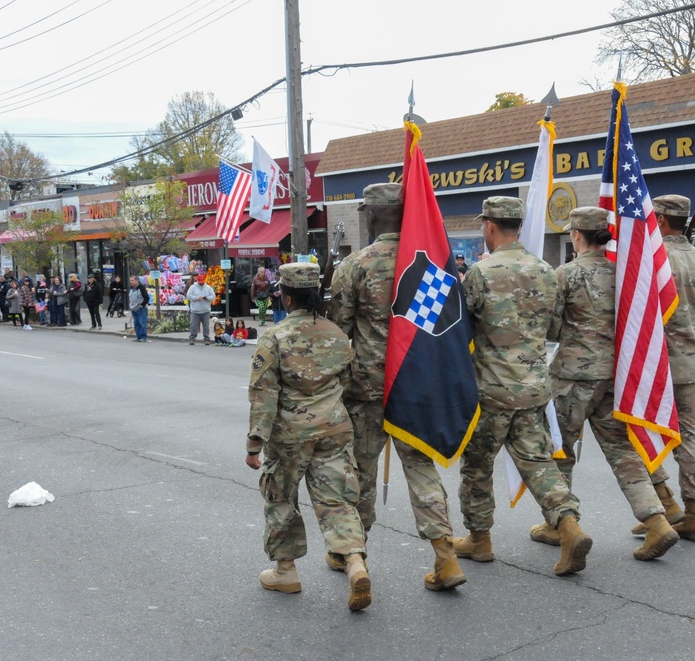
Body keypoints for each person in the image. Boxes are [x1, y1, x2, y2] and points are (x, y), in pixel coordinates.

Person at [328, 182, 467, 591]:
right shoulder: (431, 267)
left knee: (360, 474)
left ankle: (354, 557)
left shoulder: (354, 266)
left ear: (371, 215)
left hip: (368, 388)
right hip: (414, 383)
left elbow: (341, 334)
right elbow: (442, 329)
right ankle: (446, 555)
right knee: (421, 468)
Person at [526, 207, 679, 562]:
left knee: (559, 448)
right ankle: (656, 521)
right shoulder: (625, 273)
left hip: (574, 375)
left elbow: (551, 329)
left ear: (577, 235)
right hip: (616, 373)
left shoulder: (566, 274)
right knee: (622, 451)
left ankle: (560, 523)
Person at [455, 196, 590, 576]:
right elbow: (552, 330)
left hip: (491, 392)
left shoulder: (480, 274)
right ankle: (569, 525)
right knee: (539, 463)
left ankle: (479, 540)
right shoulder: (548, 271)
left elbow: (462, 330)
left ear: (490, 226)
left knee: (477, 466)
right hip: (533, 388)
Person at [246, 262, 371, 611]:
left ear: (285, 297)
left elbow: (263, 394)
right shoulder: (336, 333)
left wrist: (254, 443)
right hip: (334, 427)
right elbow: (348, 382)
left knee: (281, 496)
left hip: (290, 433)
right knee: (337, 500)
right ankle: (355, 562)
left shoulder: (276, 336)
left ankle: (286, 571)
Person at [636, 194, 695, 543]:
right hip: (693, 364)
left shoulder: (655, 259)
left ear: (662, 220)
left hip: (658, 365)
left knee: (636, 431)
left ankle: (665, 504)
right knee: (689, 437)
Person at [186, 273, 215, 345]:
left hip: (206, 310)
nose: (201, 284)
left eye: (202, 282)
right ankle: (192, 338)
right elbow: (189, 296)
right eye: (200, 282)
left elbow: (213, 296)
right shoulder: (192, 287)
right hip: (195, 310)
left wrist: (207, 298)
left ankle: (206, 338)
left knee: (206, 325)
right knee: (193, 325)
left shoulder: (208, 288)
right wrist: (196, 298)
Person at [127, 276, 149, 342]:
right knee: (136, 323)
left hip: (141, 309)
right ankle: (138, 337)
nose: (131, 282)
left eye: (133, 280)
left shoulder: (141, 288)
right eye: (130, 280)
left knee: (142, 322)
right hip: (133, 308)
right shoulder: (131, 289)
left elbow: (146, 298)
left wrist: (141, 305)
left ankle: (143, 337)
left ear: (137, 281)